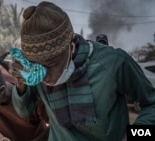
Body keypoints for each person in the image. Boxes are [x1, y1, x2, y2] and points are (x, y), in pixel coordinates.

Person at [10, 1, 155, 141]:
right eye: (36, 66)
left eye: (52, 64)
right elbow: (24, 111)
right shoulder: (37, 72)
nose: (45, 77)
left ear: (71, 44)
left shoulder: (113, 63)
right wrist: (21, 84)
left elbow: (152, 104)